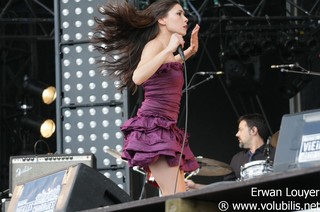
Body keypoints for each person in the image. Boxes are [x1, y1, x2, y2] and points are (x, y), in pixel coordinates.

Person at [92, 0, 200, 196]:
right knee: (177, 195)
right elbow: (138, 76)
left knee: (177, 194)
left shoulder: (165, 50)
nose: (186, 19)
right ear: (162, 19)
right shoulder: (156, 45)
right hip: (154, 129)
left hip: (165, 127)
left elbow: (167, 67)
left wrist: (190, 51)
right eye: (179, 14)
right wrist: (169, 50)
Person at [185, 113, 276, 190]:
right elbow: (225, 189)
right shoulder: (237, 159)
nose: (237, 134)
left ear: (253, 130)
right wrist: (195, 186)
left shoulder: (275, 154)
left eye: (240, 130)